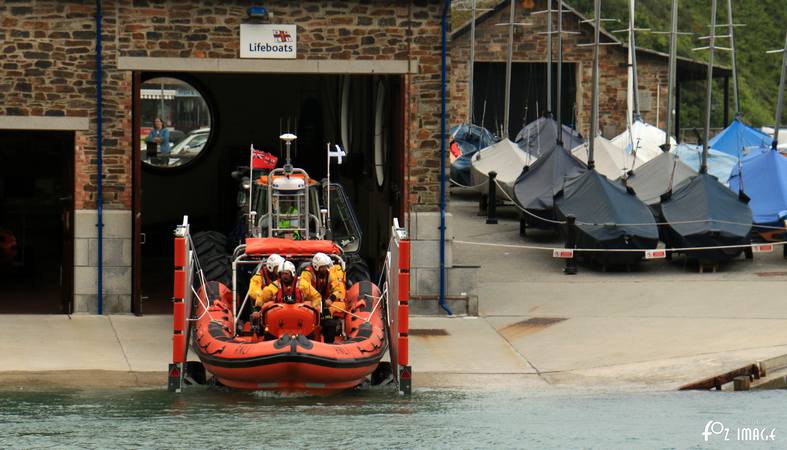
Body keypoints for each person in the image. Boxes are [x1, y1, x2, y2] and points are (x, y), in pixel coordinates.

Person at [300, 252, 347, 343]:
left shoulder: (329, 274)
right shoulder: (307, 274)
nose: (326, 268)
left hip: (323, 306)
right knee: (311, 326)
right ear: (317, 266)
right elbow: (304, 287)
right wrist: (317, 298)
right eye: (323, 267)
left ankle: (328, 346)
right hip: (309, 306)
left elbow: (338, 289)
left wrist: (331, 299)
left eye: (326, 266)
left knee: (330, 324)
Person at [253, 260, 322, 310]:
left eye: (286, 274)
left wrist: (313, 308)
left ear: (292, 273)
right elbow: (261, 299)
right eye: (282, 274)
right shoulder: (275, 285)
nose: (284, 276)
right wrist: (257, 310)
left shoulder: (302, 284)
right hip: (280, 317)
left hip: (300, 315)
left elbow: (316, 297)